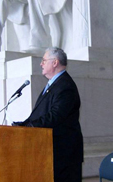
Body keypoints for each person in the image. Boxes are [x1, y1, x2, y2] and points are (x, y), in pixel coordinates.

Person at [12, 47, 83, 182]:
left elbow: (55, 116)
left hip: (63, 154)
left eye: (44, 60)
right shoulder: (54, 84)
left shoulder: (65, 85)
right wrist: (23, 124)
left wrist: (30, 126)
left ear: (55, 62)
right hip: (51, 152)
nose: (41, 64)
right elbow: (40, 114)